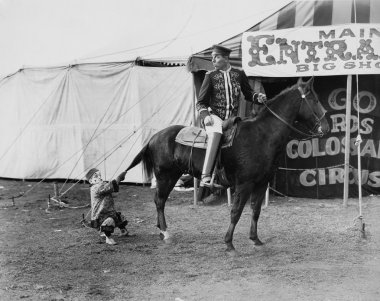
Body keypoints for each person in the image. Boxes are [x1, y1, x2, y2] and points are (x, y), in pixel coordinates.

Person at [196, 44, 267, 188]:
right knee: (216, 132)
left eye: (216, 57)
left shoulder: (239, 74)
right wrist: (205, 116)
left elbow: (249, 94)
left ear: (226, 58)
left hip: (232, 119)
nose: (213, 60)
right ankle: (206, 176)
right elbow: (201, 102)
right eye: (212, 57)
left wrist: (258, 97)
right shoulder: (210, 76)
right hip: (214, 117)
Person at [85, 168, 131, 245]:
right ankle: (108, 237)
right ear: (90, 181)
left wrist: (116, 181)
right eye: (96, 176)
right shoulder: (95, 188)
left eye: (100, 175)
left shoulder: (100, 186)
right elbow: (108, 187)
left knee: (118, 217)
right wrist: (118, 178)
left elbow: (108, 187)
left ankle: (123, 230)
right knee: (110, 221)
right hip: (101, 214)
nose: (99, 177)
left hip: (107, 211)